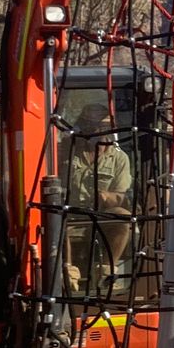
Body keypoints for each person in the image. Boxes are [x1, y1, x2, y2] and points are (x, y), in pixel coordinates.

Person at [63, 100, 135, 299]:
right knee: (55, 218)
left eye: (104, 127)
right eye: (94, 126)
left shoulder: (119, 159)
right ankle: (68, 275)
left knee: (123, 217)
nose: (99, 132)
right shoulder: (66, 153)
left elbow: (121, 196)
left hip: (101, 217)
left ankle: (106, 272)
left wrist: (107, 197)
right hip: (70, 214)